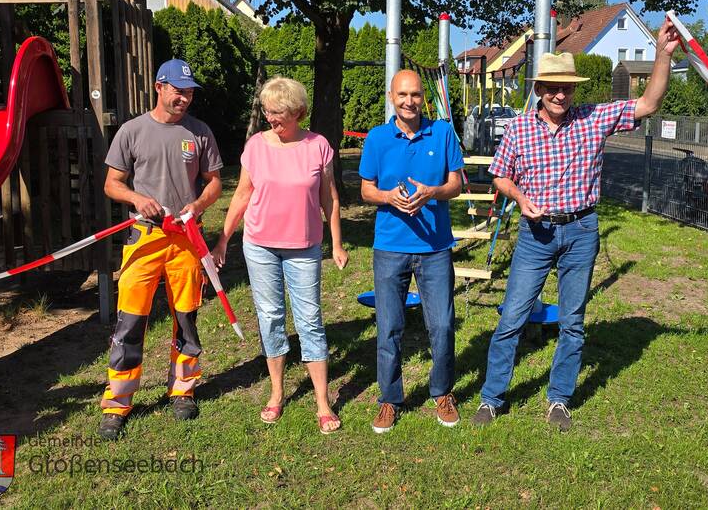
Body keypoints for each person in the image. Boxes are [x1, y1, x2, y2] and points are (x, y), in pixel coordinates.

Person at [472, 20, 680, 430]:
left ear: (575, 89)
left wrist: (663, 55)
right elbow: (499, 175)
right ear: (538, 89)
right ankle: (492, 398)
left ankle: (559, 400)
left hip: (582, 232)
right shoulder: (518, 128)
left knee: (572, 322)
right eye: (551, 86)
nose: (559, 93)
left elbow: (649, 104)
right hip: (536, 234)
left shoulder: (592, 119)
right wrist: (519, 197)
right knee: (512, 317)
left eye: (566, 86)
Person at [211, 77, 348, 434]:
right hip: (260, 246)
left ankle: (322, 400)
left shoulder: (318, 146)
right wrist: (223, 239)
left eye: (279, 113)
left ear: (298, 113)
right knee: (270, 316)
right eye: (268, 111)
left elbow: (328, 198)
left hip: (303, 247)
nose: (271, 118)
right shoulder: (256, 146)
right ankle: (276, 392)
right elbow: (241, 194)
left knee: (310, 321)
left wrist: (336, 243)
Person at [98, 59, 223, 440]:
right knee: (130, 322)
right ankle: (117, 404)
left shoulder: (199, 132)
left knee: (186, 319)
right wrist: (137, 199)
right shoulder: (132, 131)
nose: (184, 97)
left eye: (189, 92)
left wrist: (198, 207)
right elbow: (111, 184)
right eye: (178, 90)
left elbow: (215, 182)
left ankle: (182, 392)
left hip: (186, 240)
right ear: (159, 87)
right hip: (144, 239)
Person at [359, 69, 464, 433]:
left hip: (435, 247)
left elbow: (456, 184)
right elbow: (365, 190)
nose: (409, 101)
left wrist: (432, 192)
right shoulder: (377, 138)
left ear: (424, 98)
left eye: (416, 95)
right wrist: (388, 197)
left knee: (442, 325)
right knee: (389, 327)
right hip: (390, 247)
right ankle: (389, 399)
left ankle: (442, 392)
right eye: (402, 95)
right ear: (392, 96)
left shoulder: (443, 133)